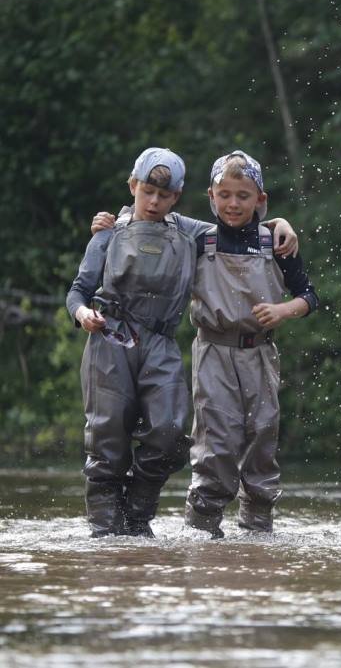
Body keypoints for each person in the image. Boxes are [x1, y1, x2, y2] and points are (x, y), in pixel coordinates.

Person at [78, 150, 298, 538]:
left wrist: (280, 222)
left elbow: (238, 227)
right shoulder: (114, 229)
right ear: (134, 188)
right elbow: (79, 289)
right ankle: (106, 531)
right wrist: (82, 311)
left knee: (172, 434)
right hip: (115, 338)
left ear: (177, 196)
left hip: (164, 342)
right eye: (147, 192)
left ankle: (138, 513)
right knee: (108, 435)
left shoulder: (193, 232)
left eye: (164, 195)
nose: (154, 202)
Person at [181, 150, 318, 538]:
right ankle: (201, 528)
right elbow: (150, 217)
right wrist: (115, 222)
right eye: (224, 195)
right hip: (212, 350)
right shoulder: (197, 239)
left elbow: (309, 295)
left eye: (243, 196)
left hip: (260, 352)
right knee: (216, 439)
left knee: (262, 434)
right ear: (211, 196)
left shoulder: (277, 242)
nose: (233, 204)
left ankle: (257, 529)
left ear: (261, 200)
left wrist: (283, 310)